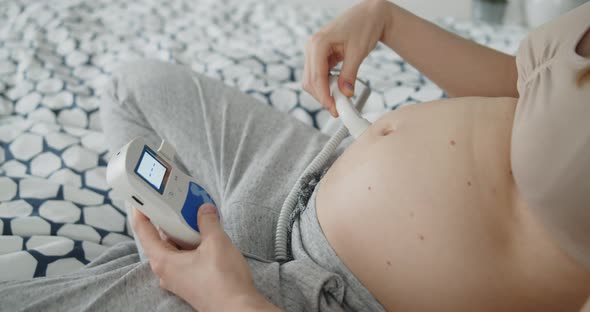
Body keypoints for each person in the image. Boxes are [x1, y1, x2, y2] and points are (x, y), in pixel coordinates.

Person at [1, 0, 589, 311]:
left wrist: (229, 299)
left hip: (317, 297)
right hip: (306, 171)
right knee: (131, 85)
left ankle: (186, 269)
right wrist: (385, 18)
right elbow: (532, 85)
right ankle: (186, 243)